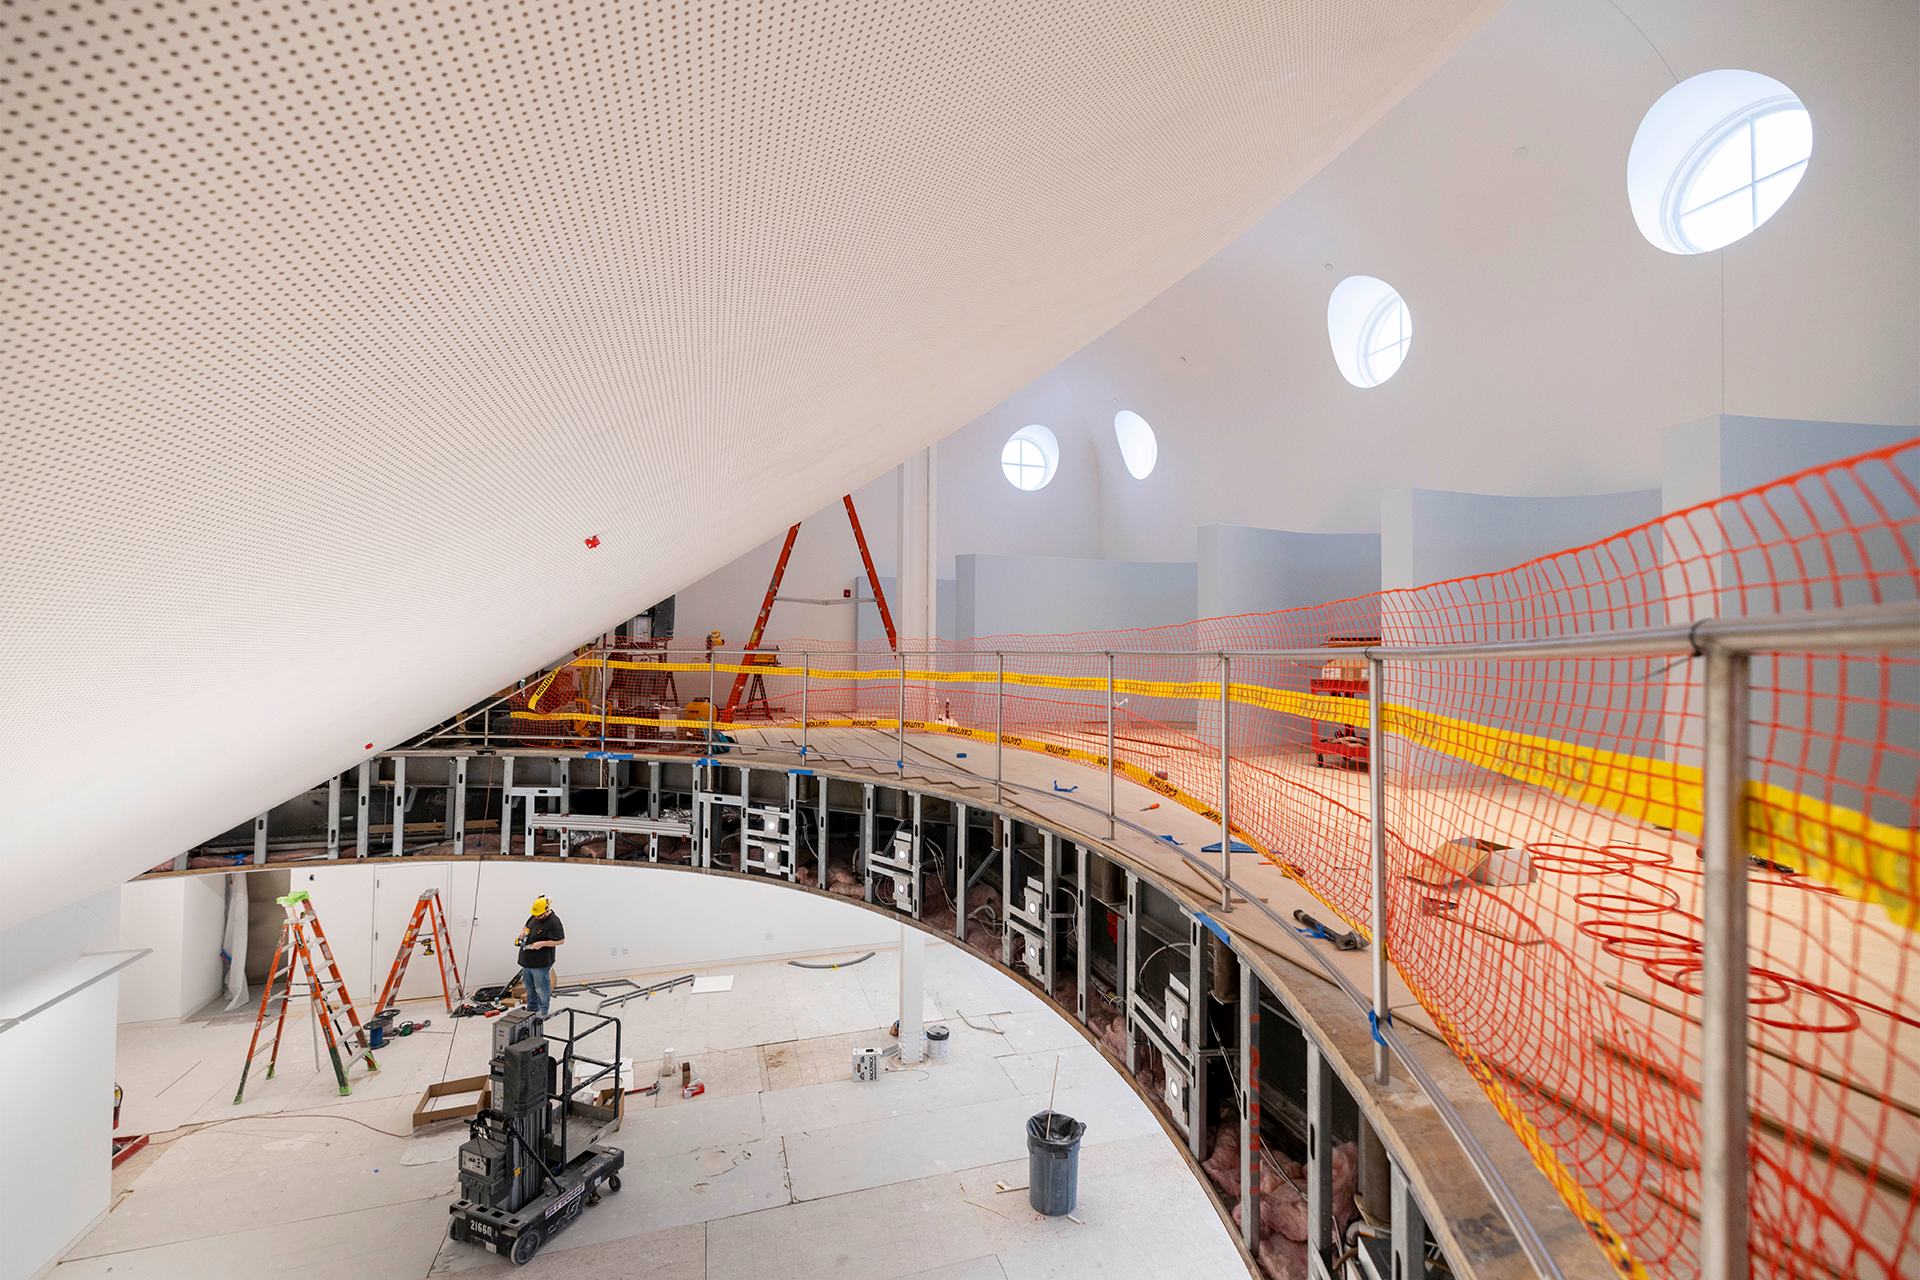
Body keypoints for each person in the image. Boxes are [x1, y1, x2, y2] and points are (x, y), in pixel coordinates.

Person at [515, 895, 565, 1016]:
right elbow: (526, 925)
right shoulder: (536, 914)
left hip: (541, 962)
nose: (537, 917)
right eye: (535, 915)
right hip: (527, 960)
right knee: (528, 985)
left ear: (547, 910)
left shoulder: (554, 922)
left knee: (541, 988)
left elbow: (561, 940)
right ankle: (532, 1007)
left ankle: (543, 1010)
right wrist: (523, 933)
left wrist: (542, 944)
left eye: (540, 915)